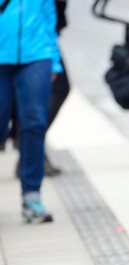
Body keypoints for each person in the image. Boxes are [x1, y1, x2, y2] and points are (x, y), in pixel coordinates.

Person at [0, 0, 61, 223]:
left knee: (34, 122)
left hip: (37, 54)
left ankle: (32, 196)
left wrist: (53, 59)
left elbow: (49, 15)